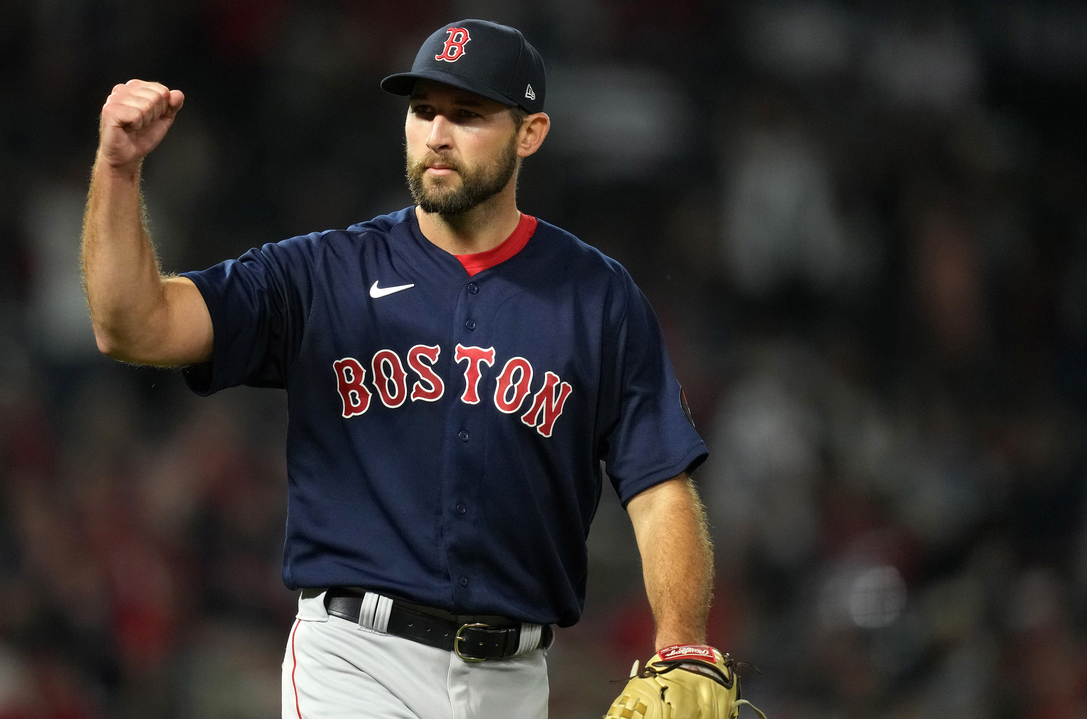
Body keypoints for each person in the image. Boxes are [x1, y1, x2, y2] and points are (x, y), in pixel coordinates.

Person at [82, 18, 741, 719]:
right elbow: (134, 325)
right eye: (423, 110)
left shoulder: (597, 297)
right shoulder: (322, 274)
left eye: (468, 114)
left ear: (530, 133)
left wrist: (681, 642)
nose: (437, 134)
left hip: (515, 679)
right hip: (356, 661)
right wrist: (118, 171)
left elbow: (659, 489)